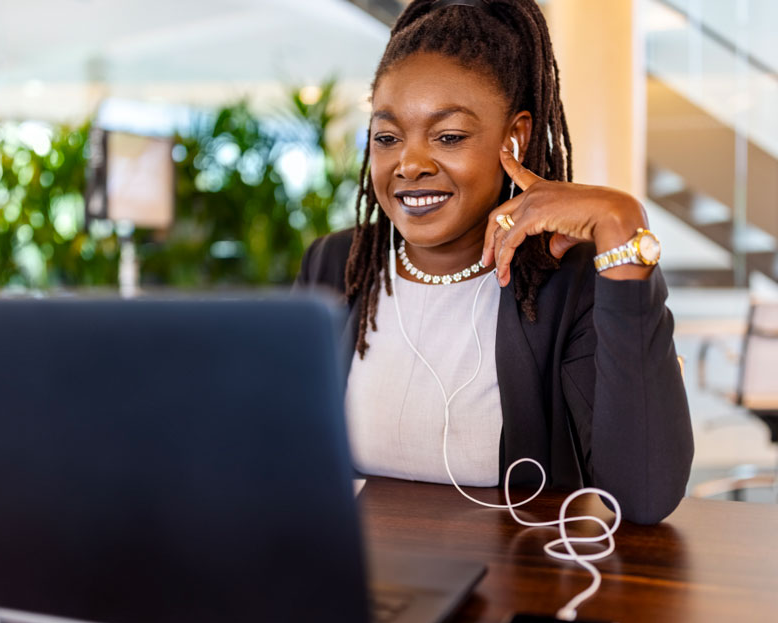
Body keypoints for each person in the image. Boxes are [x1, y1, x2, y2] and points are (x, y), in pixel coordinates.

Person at [295, 0, 693, 524]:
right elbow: (282, 456)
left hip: (516, 590)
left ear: (515, 138)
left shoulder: (566, 281)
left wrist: (622, 230)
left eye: (449, 136)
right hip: (353, 589)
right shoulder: (337, 265)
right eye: (387, 137)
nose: (410, 164)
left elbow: (642, 495)